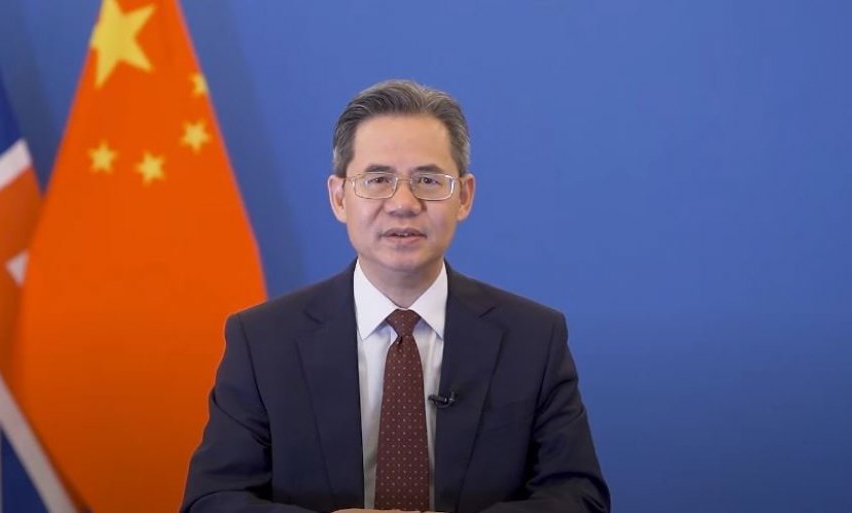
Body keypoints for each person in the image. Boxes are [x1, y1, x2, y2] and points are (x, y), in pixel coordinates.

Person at [181, 79, 610, 513]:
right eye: (377, 179)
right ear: (339, 198)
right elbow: (210, 502)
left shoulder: (533, 339)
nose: (403, 203)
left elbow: (580, 499)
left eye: (428, 180)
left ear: (463, 197)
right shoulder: (263, 341)